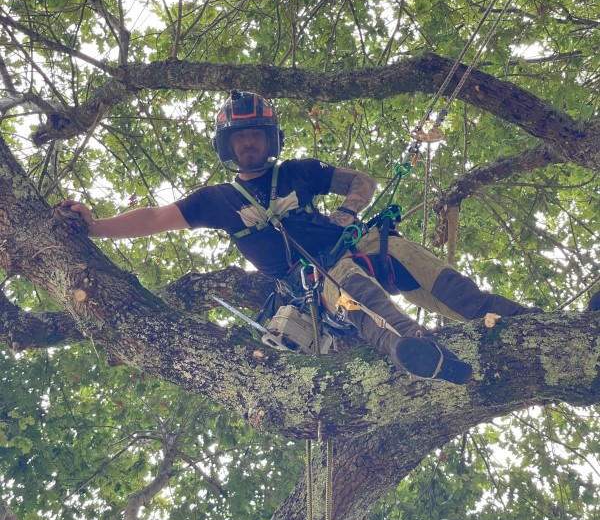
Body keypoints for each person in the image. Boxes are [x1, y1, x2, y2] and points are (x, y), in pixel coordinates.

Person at [60, 91, 542, 385]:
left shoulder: (298, 172)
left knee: (441, 279)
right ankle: (414, 349)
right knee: (352, 294)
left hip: (361, 245)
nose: (249, 143)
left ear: (270, 140)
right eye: (240, 138)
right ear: (228, 146)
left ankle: (536, 324)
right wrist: (95, 226)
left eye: (256, 136)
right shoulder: (217, 201)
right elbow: (155, 218)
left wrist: (349, 209)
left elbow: (362, 181)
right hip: (312, 282)